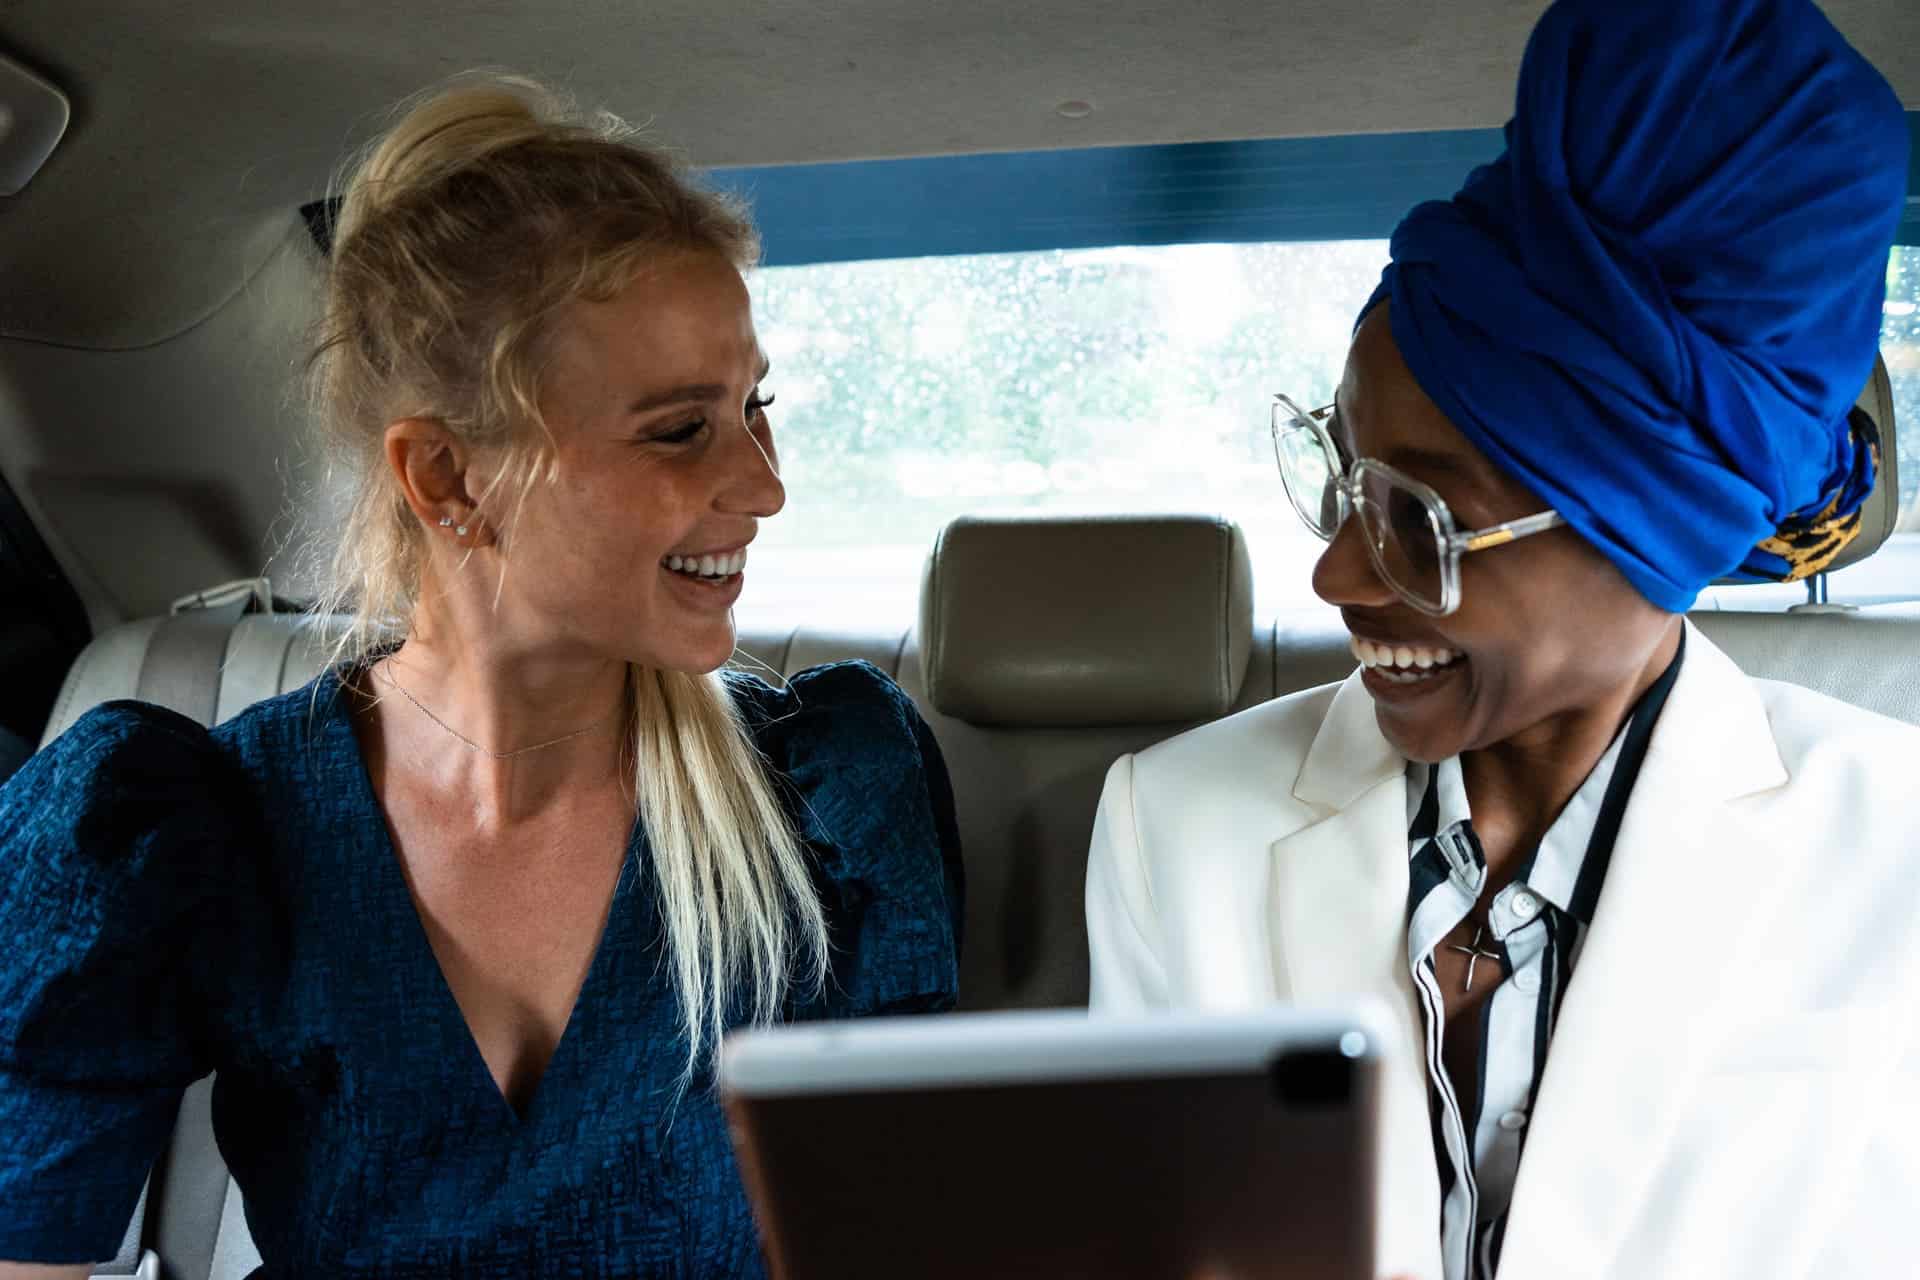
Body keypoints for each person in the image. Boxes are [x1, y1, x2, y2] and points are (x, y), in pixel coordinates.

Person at [0, 77, 963, 1277]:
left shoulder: (830, 796)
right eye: (679, 427)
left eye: (754, 405)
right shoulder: (175, 833)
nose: (765, 485)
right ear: (448, 479)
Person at [1085, 2, 1919, 1277]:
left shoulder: (1897, 855)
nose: (1334, 570)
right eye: (1339, 477)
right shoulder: (1174, 824)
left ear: (1650, 535)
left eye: (1417, 520)